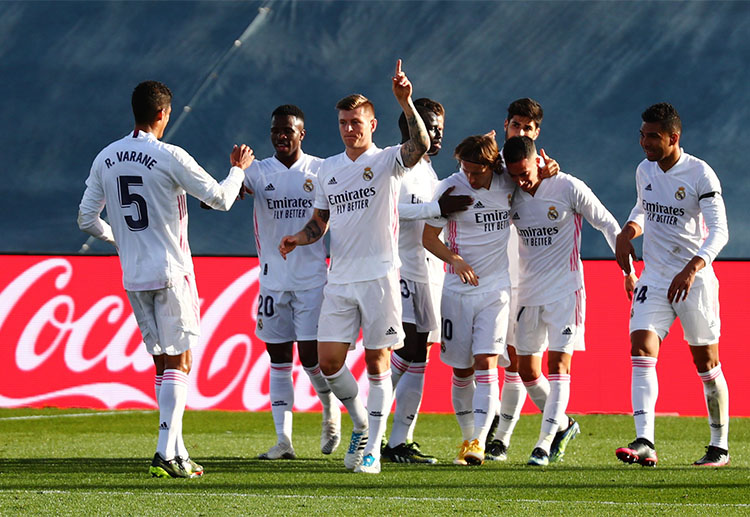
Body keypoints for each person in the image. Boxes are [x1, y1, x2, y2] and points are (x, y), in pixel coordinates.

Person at [77, 80, 254, 478]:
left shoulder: (106, 157)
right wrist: (237, 170)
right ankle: (164, 452)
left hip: (134, 274)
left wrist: (119, 239)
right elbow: (221, 199)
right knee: (181, 360)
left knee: (162, 363)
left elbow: (86, 220)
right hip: (172, 271)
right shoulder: (168, 155)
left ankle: (177, 450)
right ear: (162, 114)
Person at [279, 60, 429, 474]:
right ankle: (362, 424)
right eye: (344, 123)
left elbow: (420, 144)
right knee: (327, 362)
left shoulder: (387, 160)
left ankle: (372, 450)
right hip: (340, 279)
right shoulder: (327, 168)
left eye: (356, 122)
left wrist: (406, 101)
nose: (349, 129)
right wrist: (299, 237)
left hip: (380, 276)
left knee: (378, 363)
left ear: (372, 125)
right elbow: (320, 221)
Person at [615, 103, 729, 467]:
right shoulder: (644, 169)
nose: (644, 143)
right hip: (655, 276)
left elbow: (720, 232)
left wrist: (692, 268)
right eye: (642, 135)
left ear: (673, 137)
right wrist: (628, 231)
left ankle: (719, 446)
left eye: (653, 136)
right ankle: (645, 441)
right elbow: (643, 208)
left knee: (706, 363)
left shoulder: (700, 174)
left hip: (693, 280)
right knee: (641, 347)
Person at [503, 135, 625, 466]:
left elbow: (607, 223)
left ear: (537, 161)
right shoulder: (509, 191)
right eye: (514, 175)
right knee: (527, 371)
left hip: (565, 291)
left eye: (525, 173)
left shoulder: (567, 186)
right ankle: (564, 424)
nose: (521, 181)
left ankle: (543, 444)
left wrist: (628, 270)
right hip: (528, 292)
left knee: (558, 366)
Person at [241, 105, 340, 460]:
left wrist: (299, 238)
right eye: (275, 130)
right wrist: (236, 174)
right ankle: (283, 441)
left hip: (312, 281)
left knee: (312, 358)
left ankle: (329, 410)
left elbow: (324, 219)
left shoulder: (320, 170)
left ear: (302, 134)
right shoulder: (257, 171)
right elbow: (220, 200)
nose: (281, 136)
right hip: (272, 282)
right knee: (279, 358)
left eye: (288, 130)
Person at [382, 98, 472, 464]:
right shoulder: (394, 165)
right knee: (406, 350)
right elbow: (388, 210)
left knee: (420, 355)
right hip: (402, 271)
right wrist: (435, 209)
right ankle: (367, 426)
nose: (436, 134)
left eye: (439, 129)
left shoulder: (430, 172)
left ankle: (399, 441)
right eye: (430, 127)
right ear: (410, 126)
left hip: (429, 274)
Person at [422, 134, 514, 466]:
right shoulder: (449, 187)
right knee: (462, 371)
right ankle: (467, 437)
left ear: (492, 166)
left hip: (495, 291)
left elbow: (531, 175)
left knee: (486, 362)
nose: (471, 178)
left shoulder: (507, 182)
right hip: (457, 292)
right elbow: (428, 237)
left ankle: (478, 441)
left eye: (477, 172)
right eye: (466, 170)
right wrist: (454, 259)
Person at [485, 98, 559, 462]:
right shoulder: (490, 164)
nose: (521, 132)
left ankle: (501, 437)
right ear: (506, 125)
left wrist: (551, 172)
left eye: (529, 127)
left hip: (525, 276)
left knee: (516, 362)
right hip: (488, 273)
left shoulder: (542, 170)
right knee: (490, 359)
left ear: (537, 132)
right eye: (516, 125)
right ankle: (560, 424)